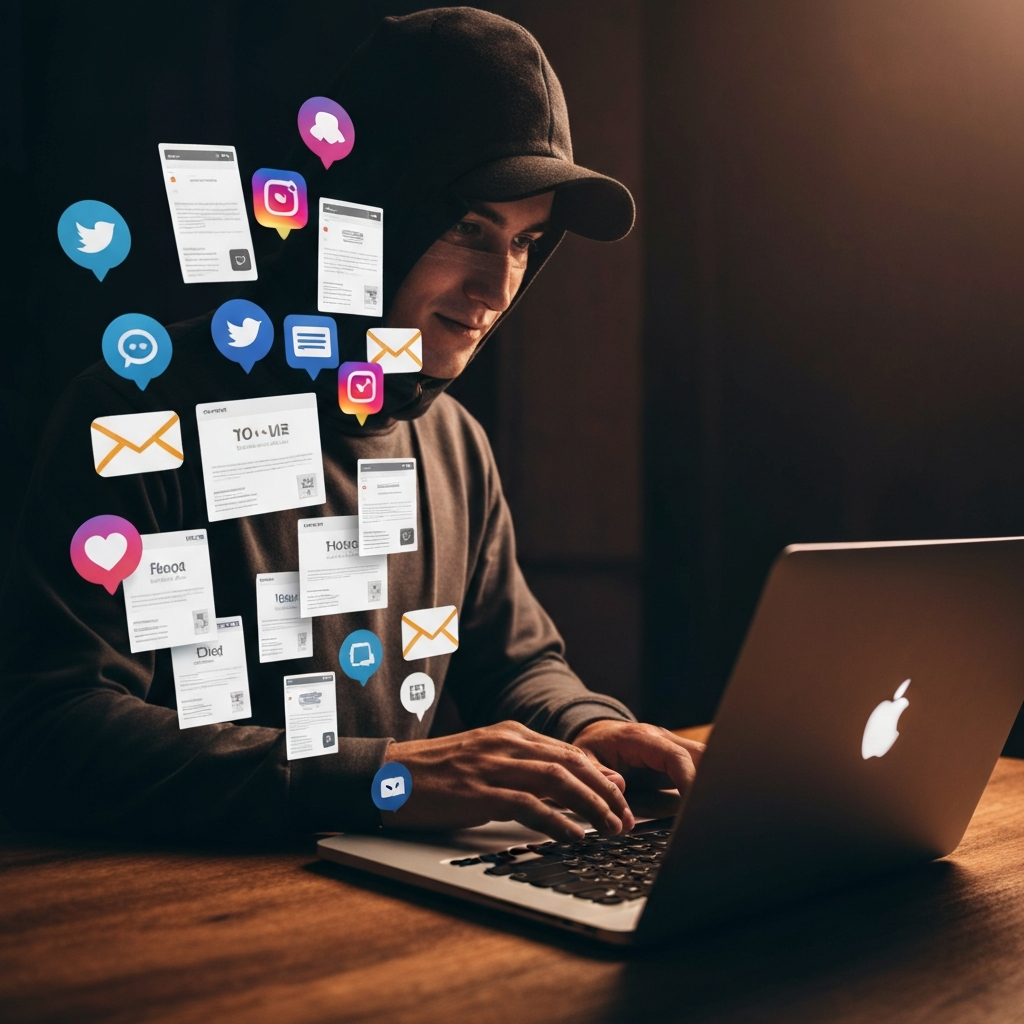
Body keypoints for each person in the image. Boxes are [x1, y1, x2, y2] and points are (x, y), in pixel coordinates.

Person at [0, 7, 702, 843]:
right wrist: (385, 777)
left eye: (525, 241)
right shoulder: (139, 413)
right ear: (361, 212)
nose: (497, 287)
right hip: (172, 935)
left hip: (376, 926)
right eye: (470, 227)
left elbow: (516, 665)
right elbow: (52, 730)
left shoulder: (453, 446)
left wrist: (585, 726)